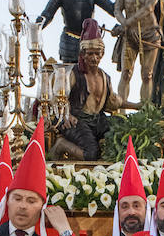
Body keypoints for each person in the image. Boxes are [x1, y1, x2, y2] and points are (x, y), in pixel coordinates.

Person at [47, 19, 133, 162]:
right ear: (83, 54)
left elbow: (114, 102)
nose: (94, 58)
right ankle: (61, 145)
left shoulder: (105, 77)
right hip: (75, 120)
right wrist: (66, 114)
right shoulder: (73, 74)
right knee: (91, 153)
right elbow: (57, 96)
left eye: (97, 53)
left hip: (97, 120)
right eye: (90, 53)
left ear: (102, 54)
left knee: (125, 127)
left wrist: (138, 106)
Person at [111, 0, 163, 104]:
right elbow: (117, 9)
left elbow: (149, 7)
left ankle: (145, 111)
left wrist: (125, 24)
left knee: (147, 74)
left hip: (150, 34)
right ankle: (121, 110)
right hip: (130, 35)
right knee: (126, 73)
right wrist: (124, 24)